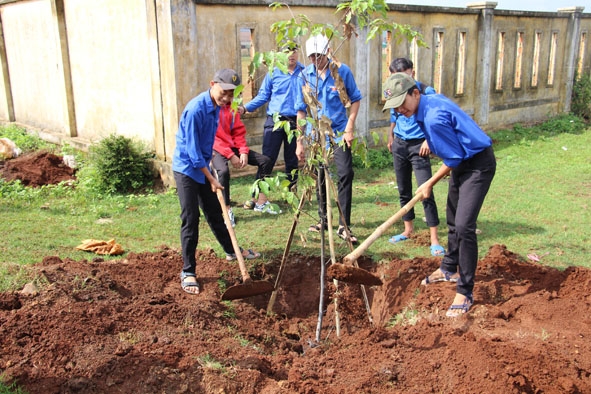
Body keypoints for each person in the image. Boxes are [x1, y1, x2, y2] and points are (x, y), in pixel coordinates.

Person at [382, 72, 496, 317]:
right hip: (463, 162)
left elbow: (453, 157)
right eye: (395, 106)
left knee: (464, 226)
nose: (400, 109)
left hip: (477, 165)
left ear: (415, 93)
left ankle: (465, 291)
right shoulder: (427, 102)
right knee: (453, 219)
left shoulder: (432, 116)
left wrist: (428, 183)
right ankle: (448, 268)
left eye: (402, 102)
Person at [172, 68, 261, 295]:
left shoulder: (216, 108)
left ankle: (232, 251)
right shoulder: (196, 110)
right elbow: (192, 153)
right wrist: (211, 177)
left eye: (232, 94)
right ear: (213, 84)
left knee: (214, 212)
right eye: (224, 91)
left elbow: (208, 144)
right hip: (186, 170)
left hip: (202, 165)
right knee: (191, 218)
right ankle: (188, 271)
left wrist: (210, 170)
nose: (227, 98)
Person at [295, 34, 363, 244]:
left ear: (328, 51)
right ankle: (323, 220)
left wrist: (350, 127)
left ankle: (344, 225)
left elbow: (355, 99)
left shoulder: (341, 72)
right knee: (320, 176)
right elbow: (301, 110)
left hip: (340, 132)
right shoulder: (304, 76)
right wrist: (300, 141)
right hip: (316, 135)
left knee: (345, 173)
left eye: (319, 55)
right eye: (312, 56)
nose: (316, 59)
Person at [386, 58, 445, 257]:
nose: (400, 78)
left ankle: (434, 238)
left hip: (419, 145)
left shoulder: (424, 91)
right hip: (400, 144)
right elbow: (394, 116)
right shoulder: (394, 92)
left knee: (425, 190)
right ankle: (408, 229)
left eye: (404, 73)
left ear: (412, 71)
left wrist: (429, 140)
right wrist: (391, 135)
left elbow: (434, 118)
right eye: (395, 75)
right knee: (404, 189)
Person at [238, 44, 305, 196]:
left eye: (294, 51)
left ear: (298, 53)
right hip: (275, 120)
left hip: (296, 120)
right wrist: (245, 108)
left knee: (292, 159)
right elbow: (263, 95)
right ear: (281, 54)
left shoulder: (304, 72)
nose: (291, 55)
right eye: (287, 51)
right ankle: (258, 196)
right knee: (267, 159)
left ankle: (292, 193)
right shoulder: (274, 72)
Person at [211, 103, 279, 227]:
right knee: (223, 171)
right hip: (216, 148)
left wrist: (243, 151)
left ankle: (260, 201)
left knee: (265, 161)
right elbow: (212, 138)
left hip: (232, 146)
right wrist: (231, 155)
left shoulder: (232, 108)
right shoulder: (209, 109)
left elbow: (238, 132)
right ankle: (226, 211)